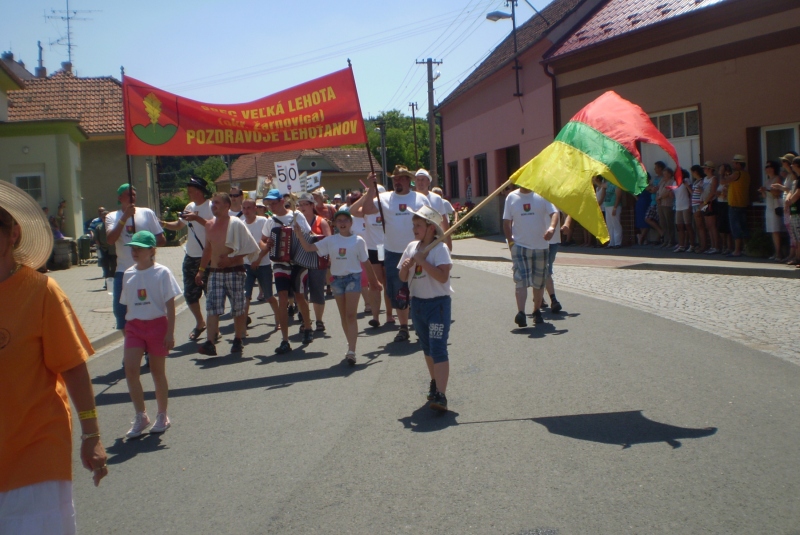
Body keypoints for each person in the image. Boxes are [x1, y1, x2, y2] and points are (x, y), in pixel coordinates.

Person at [0, 182, 107, 533]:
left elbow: (73, 367)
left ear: (13, 234)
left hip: (35, 456)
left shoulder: (41, 292)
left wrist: (91, 433)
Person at [295, 209, 381, 364]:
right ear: (334, 224)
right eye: (339, 220)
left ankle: (352, 350)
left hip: (353, 278)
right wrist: (299, 234)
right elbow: (308, 248)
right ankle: (350, 345)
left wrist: (374, 282)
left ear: (351, 223)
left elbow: (366, 262)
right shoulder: (331, 240)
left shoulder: (358, 240)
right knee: (343, 316)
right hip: (336, 280)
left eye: (345, 220)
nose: (342, 223)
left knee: (350, 315)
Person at [358, 165, 431, 342]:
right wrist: (371, 189)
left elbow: (430, 223)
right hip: (393, 252)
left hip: (417, 250)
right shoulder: (384, 198)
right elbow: (366, 210)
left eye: (401, 178)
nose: (397, 181)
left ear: (408, 180)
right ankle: (403, 327)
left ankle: (422, 325)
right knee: (398, 291)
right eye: (394, 179)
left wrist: (430, 245)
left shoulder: (420, 198)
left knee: (420, 288)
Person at [119, 231, 181, 438]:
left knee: (156, 371)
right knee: (130, 369)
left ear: (152, 250)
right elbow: (127, 303)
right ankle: (141, 415)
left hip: (157, 325)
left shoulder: (162, 272)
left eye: (140, 248)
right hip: (135, 326)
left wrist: (170, 332)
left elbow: (170, 305)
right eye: (133, 248)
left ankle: (162, 414)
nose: (135, 251)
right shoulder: (128, 274)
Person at [398, 206, 453, 412]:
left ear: (431, 228)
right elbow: (403, 278)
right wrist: (405, 268)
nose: (414, 229)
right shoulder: (412, 246)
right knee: (427, 348)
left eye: (418, 225)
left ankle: (441, 394)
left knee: (438, 347)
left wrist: (422, 261)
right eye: (413, 225)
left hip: (437, 304)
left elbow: (442, 276)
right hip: (418, 304)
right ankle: (434, 382)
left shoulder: (440, 249)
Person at [196, 192, 260, 356]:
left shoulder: (236, 223)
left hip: (235, 271)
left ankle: (238, 339)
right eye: (213, 203)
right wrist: (201, 271)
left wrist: (232, 260)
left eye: (217, 203)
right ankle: (210, 342)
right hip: (215, 272)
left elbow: (250, 247)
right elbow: (208, 250)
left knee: (238, 308)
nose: (213, 205)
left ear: (227, 206)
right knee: (212, 307)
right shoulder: (209, 225)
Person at [261, 188, 315, 354]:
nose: (271, 206)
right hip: (279, 263)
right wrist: (268, 245)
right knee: (282, 298)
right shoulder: (270, 221)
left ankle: (307, 326)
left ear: (282, 201)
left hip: (299, 261)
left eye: (274, 202)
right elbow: (262, 241)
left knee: (299, 296)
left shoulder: (297, 216)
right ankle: (285, 339)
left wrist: (299, 235)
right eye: (269, 203)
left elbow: (310, 234)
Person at [105, 184, 166, 332]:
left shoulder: (146, 213)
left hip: (148, 270)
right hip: (123, 271)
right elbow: (110, 239)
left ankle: (148, 342)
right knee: (121, 312)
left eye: (134, 194)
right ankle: (133, 344)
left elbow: (161, 239)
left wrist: (146, 243)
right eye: (128, 194)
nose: (132, 198)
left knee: (149, 307)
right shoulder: (112, 216)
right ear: (120, 198)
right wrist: (124, 217)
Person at [160, 177, 213, 342]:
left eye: (190, 190)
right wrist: (162, 223)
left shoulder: (211, 206)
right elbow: (179, 225)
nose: (188, 193)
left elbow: (215, 226)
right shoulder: (189, 206)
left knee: (211, 295)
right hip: (191, 255)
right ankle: (200, 322)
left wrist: (196, 218)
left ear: (199, 191)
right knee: (190, 294)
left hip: (209, 256)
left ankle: (213, 328)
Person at [503, 186, 559, 327]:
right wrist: (510, 242)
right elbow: (506, 221)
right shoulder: (511, 197)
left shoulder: (541, 194)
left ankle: (536, 311)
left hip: (540, 246)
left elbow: (554, 213)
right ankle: (521, 313)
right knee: (520, 279)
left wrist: (552, 228)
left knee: (538, 281)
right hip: (520, 246)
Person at [350, 183, 392, 327]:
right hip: (374, 249)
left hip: (387, 248)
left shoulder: (388, 209)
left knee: (387, 283)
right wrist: (365, 196)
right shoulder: (367, 211)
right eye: (372, 197)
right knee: (375, 284)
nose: (374, 199)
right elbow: (352, 210)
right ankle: (375, 317)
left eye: (376, 196)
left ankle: (389, 315)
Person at [241, 197, 279, 328]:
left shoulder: (264, 221)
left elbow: (269, 244)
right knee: (246, 297)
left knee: (269, 296)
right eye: (244, 208)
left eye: (249, 208)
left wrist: (257, 260)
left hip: (263, 265)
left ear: (255, 209)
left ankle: (279, 319)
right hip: (246, 265)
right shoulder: (241, 223)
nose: (246, 211)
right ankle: (243, 326)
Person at [297, 192, 331, 333]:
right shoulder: (296, 221)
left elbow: (329, 240)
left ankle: (319, 320)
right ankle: (306, 320)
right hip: (300, 261)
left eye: (306, 204)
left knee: (317, 291)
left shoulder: (321, 221)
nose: (303, 207)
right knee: (301, 292)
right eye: (301, 204)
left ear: (312, 205)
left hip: (317, 261)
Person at [415, 169, 451, 249]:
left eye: (423, 179)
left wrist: (448, 243)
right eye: (418, 180)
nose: (420, 182)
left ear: (428, 182)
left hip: (434, 240)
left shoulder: (437, 199)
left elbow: (444, 221)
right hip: (415, 241)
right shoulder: (411, 198)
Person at [761, 161, 784, 260]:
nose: (767, 169)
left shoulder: (777, 178)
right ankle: (776, 252)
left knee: (776, 230)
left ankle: (779, 253)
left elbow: (777, 193)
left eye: (769, 167)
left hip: (775, 205)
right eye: (766, 167)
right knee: (771, 230)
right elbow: (765, 196)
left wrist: (767, 190)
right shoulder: (767, 181)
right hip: (769, 206)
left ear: (773, 168)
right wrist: (763, 191)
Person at [93, 209, 116, 287]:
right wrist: (100, 248)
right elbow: (96, 239)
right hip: (104, 250)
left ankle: (113, 282)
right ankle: (107, 284)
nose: (105, 219)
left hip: (113, 251)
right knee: (106, 268)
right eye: (103, 217)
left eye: (106, 217)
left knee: (113, 267)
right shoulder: (99, 227)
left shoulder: (113, 226)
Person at [701, 162, 720, 254]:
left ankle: (716, 246)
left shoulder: (714, 179)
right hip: (705, 203)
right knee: (708, 225)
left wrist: (705, 202)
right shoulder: (704, 179)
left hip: (711, 203)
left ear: (710, 169)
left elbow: (712, 192)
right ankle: (712, 246)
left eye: (705, 168)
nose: (704, 169)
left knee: (712, 226)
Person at [598, 177, 623, 248]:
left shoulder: (617, 185)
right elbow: (601, 185)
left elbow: (618, 197)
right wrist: (594, 180)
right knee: (609, 224)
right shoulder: (609, 183)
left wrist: (615, 208)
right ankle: (611, 242)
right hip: (607, 205)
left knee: (616, 224)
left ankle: (617, 242)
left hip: (614, 206)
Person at [656, 167, 676, 249]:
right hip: (660, 204)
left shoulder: (672, 182)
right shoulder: (662, 181)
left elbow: (668, 192)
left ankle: (671, 241)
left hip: (668, 204)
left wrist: (660, 197)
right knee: (663, 223)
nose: (664, 175)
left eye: (666, 174)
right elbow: (658, 190)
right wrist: (658, 198)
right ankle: (665, 240)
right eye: (663, 174)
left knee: (669, 223)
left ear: (670, 174)